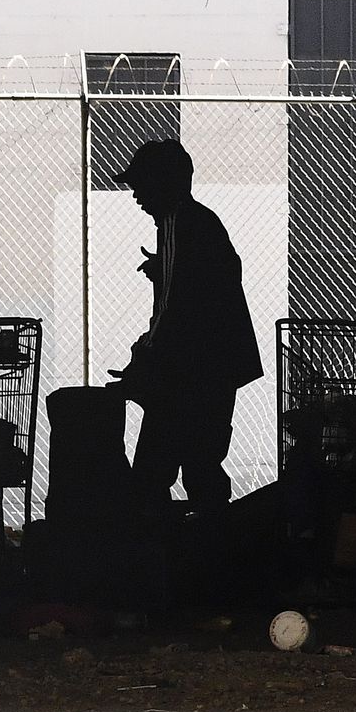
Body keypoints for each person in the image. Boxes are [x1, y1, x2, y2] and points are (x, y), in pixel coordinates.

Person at [108, 139, 263, 519]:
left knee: (156, 474)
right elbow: (196, 294)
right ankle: (208, 558)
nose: (135, 196)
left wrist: (144, 360)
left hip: (193, 376)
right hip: (205, 373)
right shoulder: (190, 223)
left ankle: (171, 561)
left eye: (141, 185)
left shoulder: (181, 223)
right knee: (198, 468)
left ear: (163, 184)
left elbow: (178, 312)